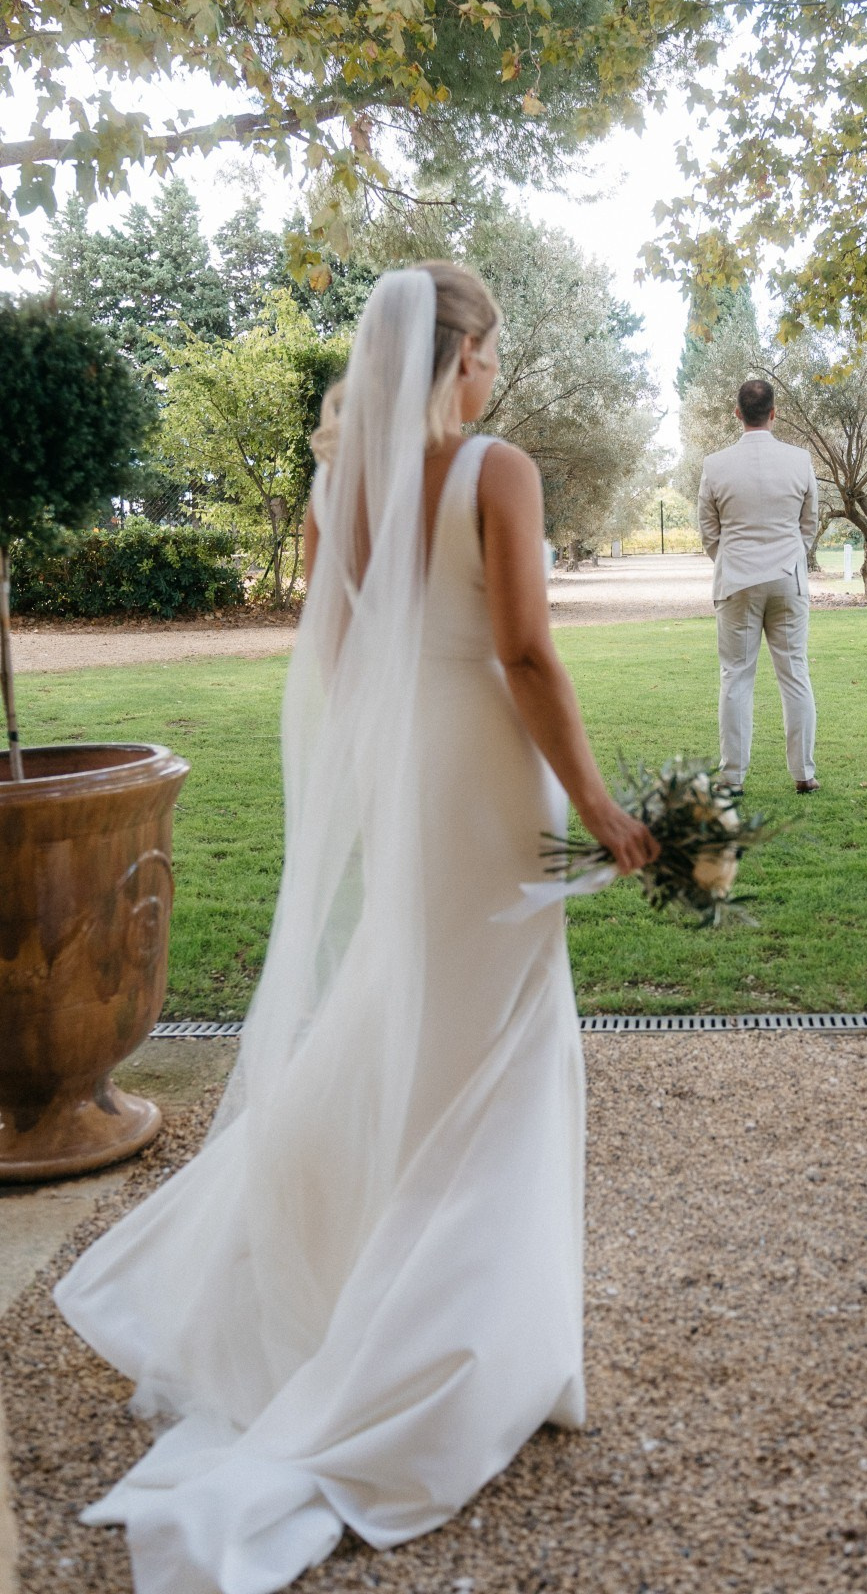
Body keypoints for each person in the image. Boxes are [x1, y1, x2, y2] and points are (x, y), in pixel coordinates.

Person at [55, 265, 658, 1594]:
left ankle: (352, 1282)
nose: (495, 375)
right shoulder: (496, 469)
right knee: (498, 1030)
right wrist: (605, 806)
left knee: (409, 1000)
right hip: (491, 770)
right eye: (491, 351)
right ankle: (468, 1349)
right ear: (465, 358)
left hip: (403, 772)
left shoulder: (344, 483)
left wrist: (390, 755)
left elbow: (332, 654)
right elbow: (527, 657)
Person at [697, 377, 820, 794]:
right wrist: (789, 557)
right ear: (773, 412)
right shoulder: (799, 460)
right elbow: (810, 524)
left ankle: (731, 779)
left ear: (737, 414)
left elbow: (708, 532)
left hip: (736, 582)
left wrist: (732, 561)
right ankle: (804, 773)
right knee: (795, 674)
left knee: (736, 677)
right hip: (788, 579)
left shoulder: (715, 465)